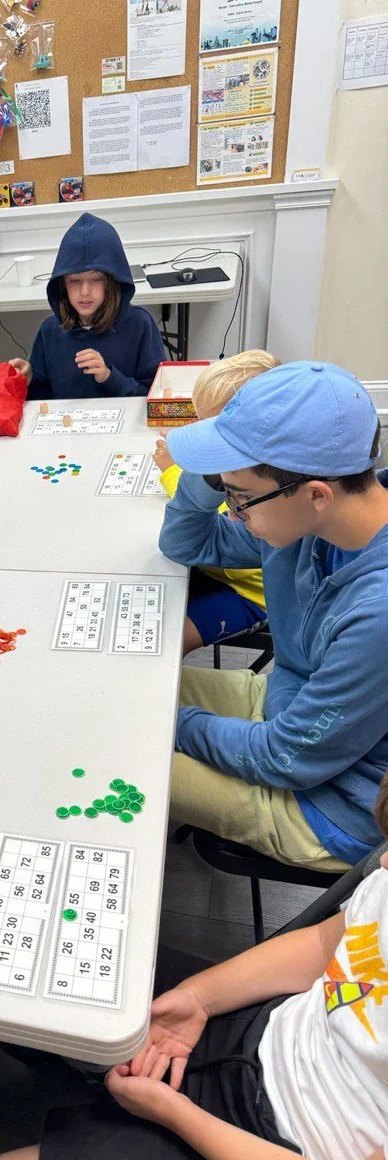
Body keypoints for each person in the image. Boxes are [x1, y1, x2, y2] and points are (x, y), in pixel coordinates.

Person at [0, 767, 388, 1160]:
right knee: (45, 969)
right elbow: (330, 943)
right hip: (272, 1041)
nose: (382, 864)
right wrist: (200, 998)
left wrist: (176, 1117)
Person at [160, 360, 388, 869]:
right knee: (129, 687)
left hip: (332, 803)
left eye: (238, 497)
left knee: (120, 750)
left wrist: (167, 725)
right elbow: (184, 540)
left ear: (315, 496)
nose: (234, 511)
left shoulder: (379, 613)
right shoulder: (313, 520)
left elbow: (285, 758)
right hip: (292, 708)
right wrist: (217, 473)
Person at [153, 350, 278, 654]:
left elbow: (222, 516)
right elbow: (181, 544)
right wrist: (208, 473)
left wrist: (173, 472)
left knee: (163, 647)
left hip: (252, 594)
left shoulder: (271, 509)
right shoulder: (246, 492)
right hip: (215, 564)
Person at [8, 213, 164, 401]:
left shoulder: (139, 325)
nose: (84, 291)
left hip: (126, 427)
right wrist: (27, 381)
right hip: (67, 428)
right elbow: (41, 399)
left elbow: (155, 399)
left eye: (96, 279)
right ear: (62, 284)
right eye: (74, 281)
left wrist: (109, 377)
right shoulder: (50, 331)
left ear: (112, 281)